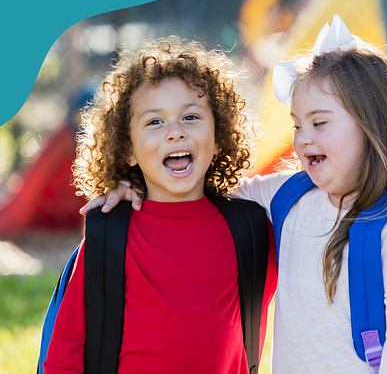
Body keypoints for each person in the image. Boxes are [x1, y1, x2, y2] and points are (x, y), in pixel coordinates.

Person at [84, 16, 387, 373]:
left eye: (319, 122)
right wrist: (133, 180)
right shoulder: (286, 196)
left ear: (373, 125)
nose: (303, 137)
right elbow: (190, 188)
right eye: (297, 123)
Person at [45, 37, 272, 374]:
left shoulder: (254, 229)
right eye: (154, 122)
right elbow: (63, 356)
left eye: (191, 117)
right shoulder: (108, 237)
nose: (175, 133)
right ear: (128, 150)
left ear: (219, 134)